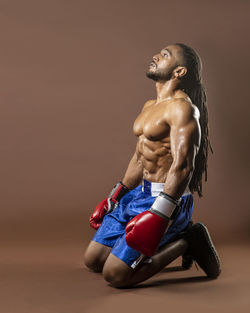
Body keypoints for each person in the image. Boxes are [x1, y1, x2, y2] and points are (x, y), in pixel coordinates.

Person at [83, 43, 221, 288]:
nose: (156, 55)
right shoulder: (150, 106)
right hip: (138, 195)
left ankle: (187, 240)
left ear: (179, 72)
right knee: (93, 260)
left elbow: (182, 166)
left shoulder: (182, 109)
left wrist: (161, 213)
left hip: (166, 199)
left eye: (166, 55)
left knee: (115, 276)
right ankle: (171, 236)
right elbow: (139, 157)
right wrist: (117, 195)